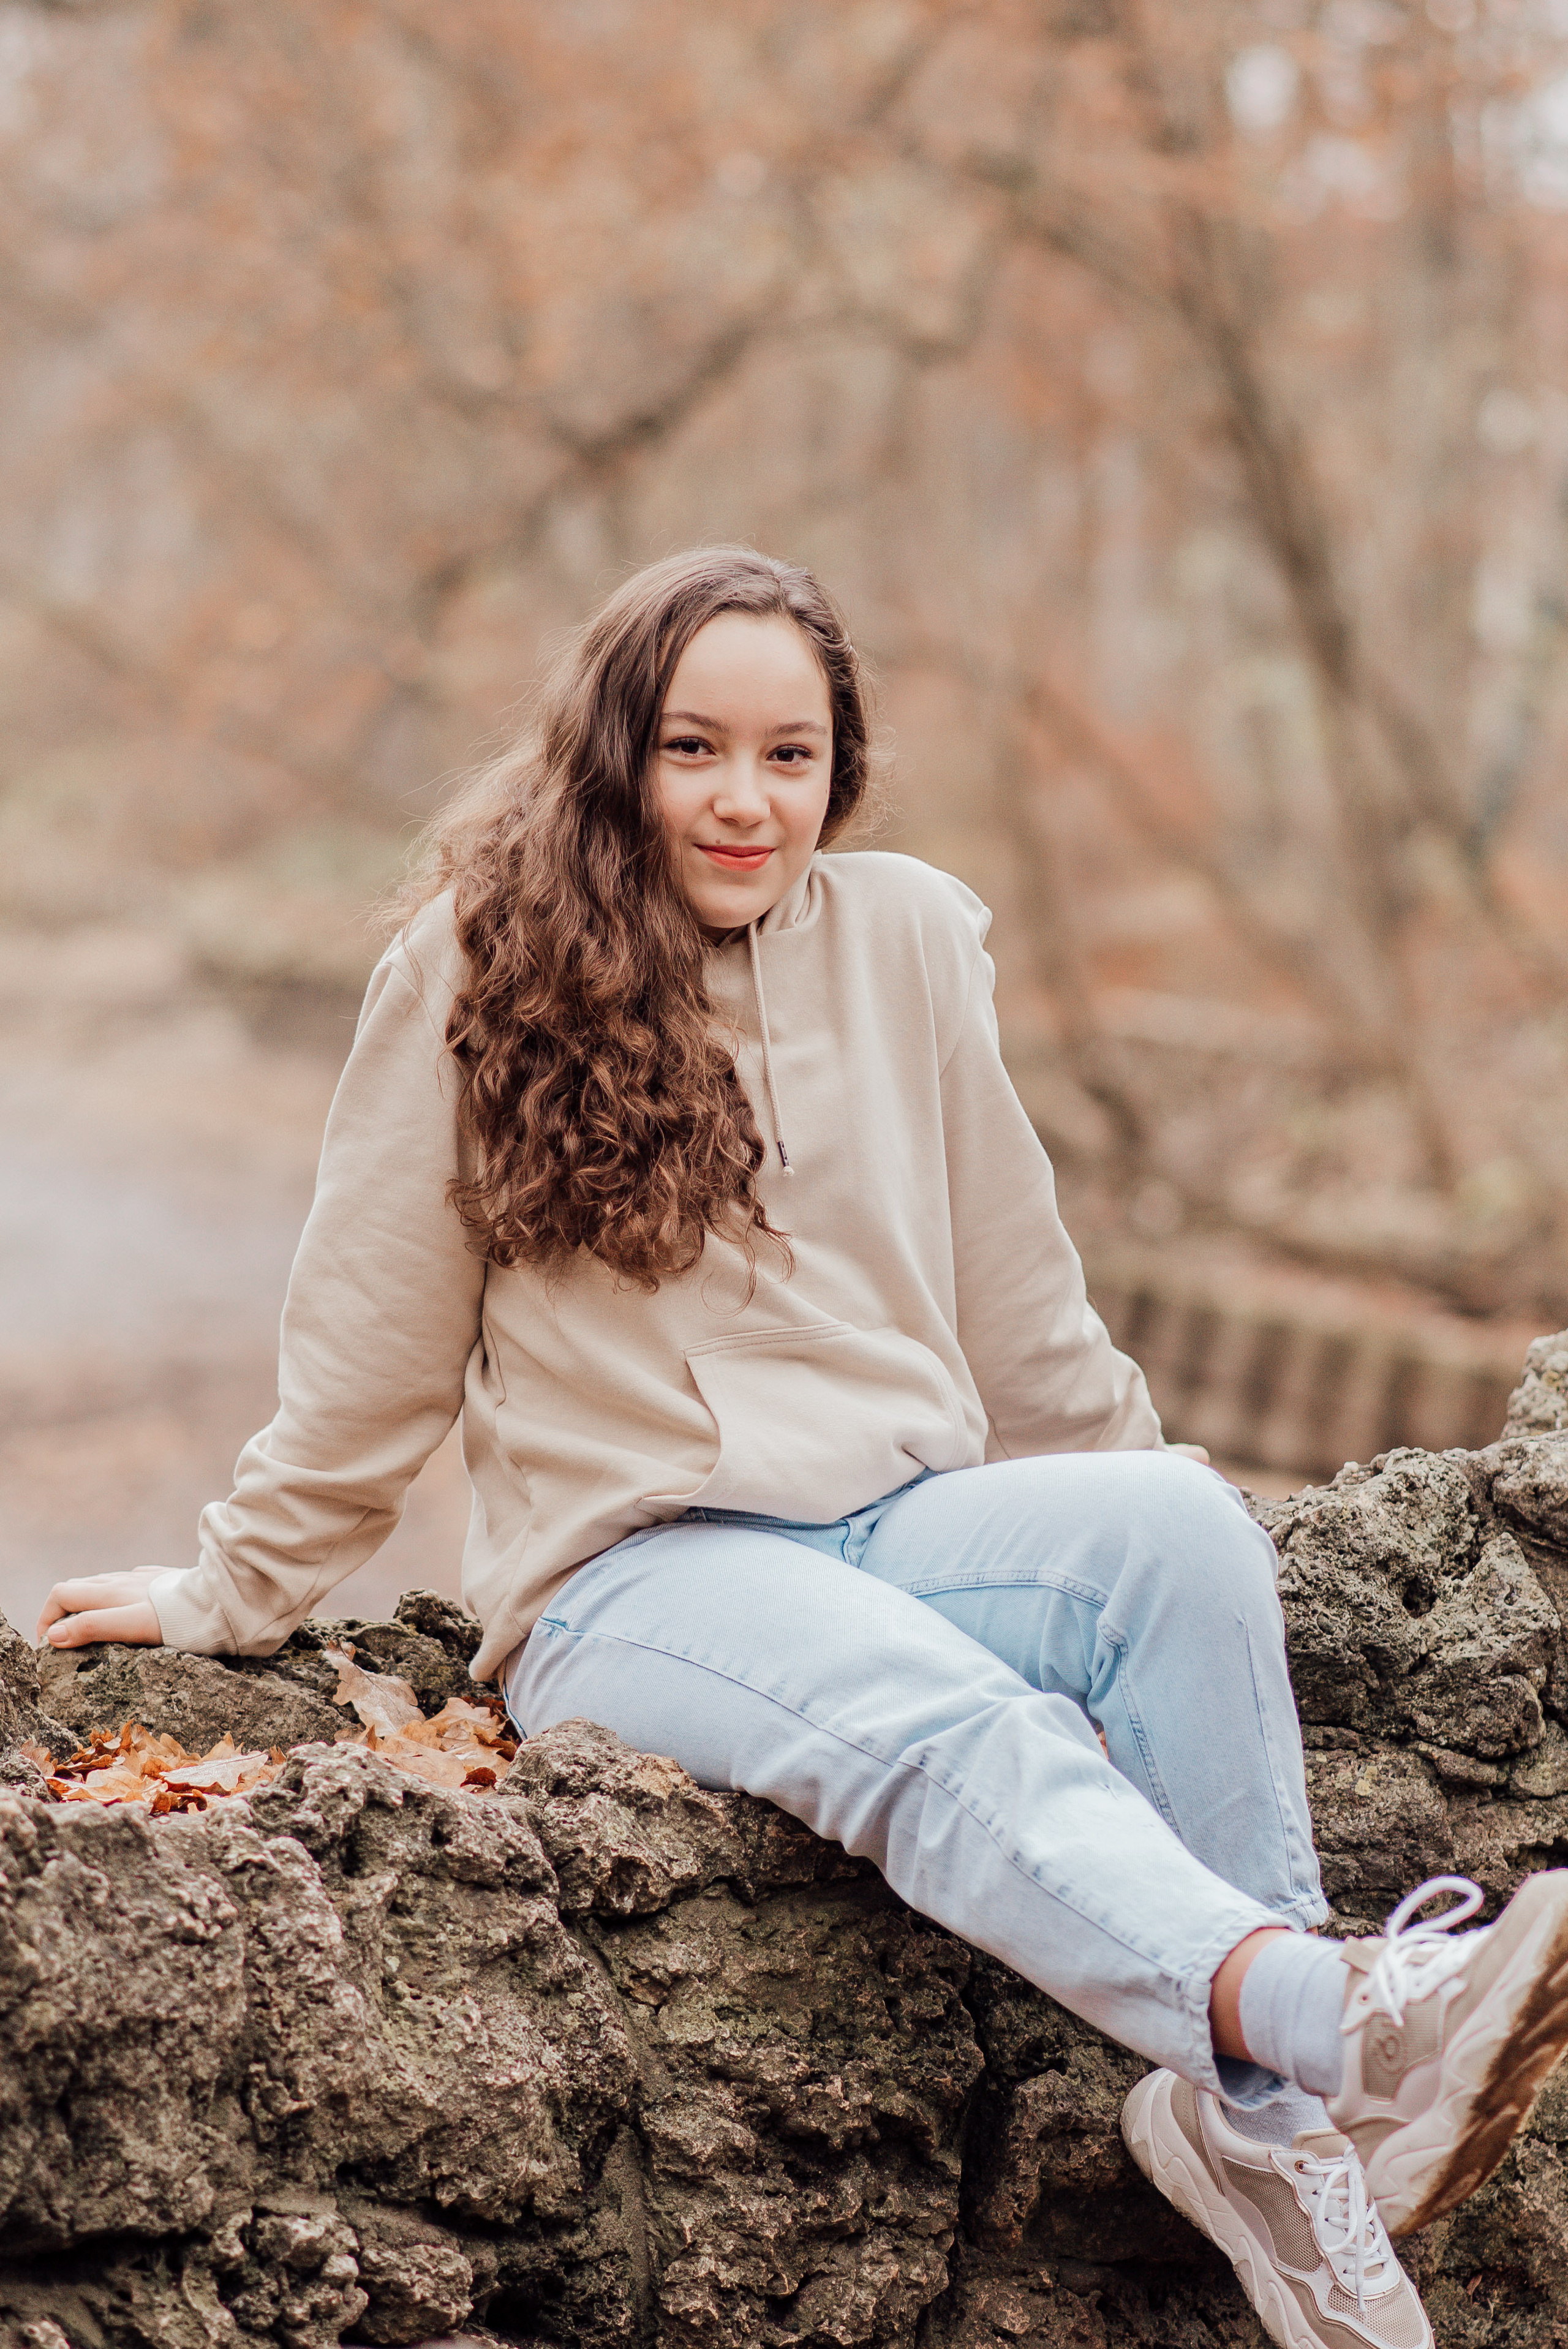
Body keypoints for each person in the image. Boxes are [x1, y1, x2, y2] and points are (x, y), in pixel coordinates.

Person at [39, 548, 1568, 2349]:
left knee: (1180, 1527)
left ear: (843, 764)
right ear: (618, 753)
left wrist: (1176, 1527)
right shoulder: (475, 959)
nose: (747, 799)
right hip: (639, 1578)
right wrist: (230, 1585)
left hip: (900, 1515)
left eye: (791, 752)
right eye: (696, 748)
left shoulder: (914, 937)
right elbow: (370, 1342)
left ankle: (1261, 2134)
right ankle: (1326, 2018)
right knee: (960, 1726)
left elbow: (1029, 1307)